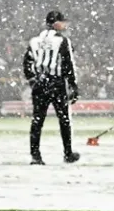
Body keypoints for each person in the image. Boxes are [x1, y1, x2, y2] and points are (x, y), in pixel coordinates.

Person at [24, 9, 80, 165]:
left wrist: (33, 80)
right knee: (64, 119)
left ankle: (35, 155)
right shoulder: (63, 41)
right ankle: (67, 153)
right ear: (56, 24)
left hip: (40, 84)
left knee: (37, 120)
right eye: (62, 22)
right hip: (56, 83)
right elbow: (69, 65)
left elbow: (27, 63)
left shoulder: (34, 41)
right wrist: (73, 86)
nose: (64, 25)